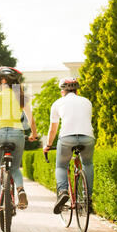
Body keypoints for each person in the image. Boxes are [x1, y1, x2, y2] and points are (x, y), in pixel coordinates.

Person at [0, 66, 38, 215]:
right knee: (16, 168)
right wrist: (34, 135)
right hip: (17, 134)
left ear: (3, 80)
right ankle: (20, 189)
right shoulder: (21, 97)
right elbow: (32, 121)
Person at [43, 77, 95, 214]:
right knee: (88, 164)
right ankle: (88, 198)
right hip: (87, 138)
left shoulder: (57, 103)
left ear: (62, 91)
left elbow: (53, 129)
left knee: (61, 165)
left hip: (67, 138)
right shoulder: (87, 102)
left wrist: (48, 145)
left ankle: (63, 191)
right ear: (77, 90)